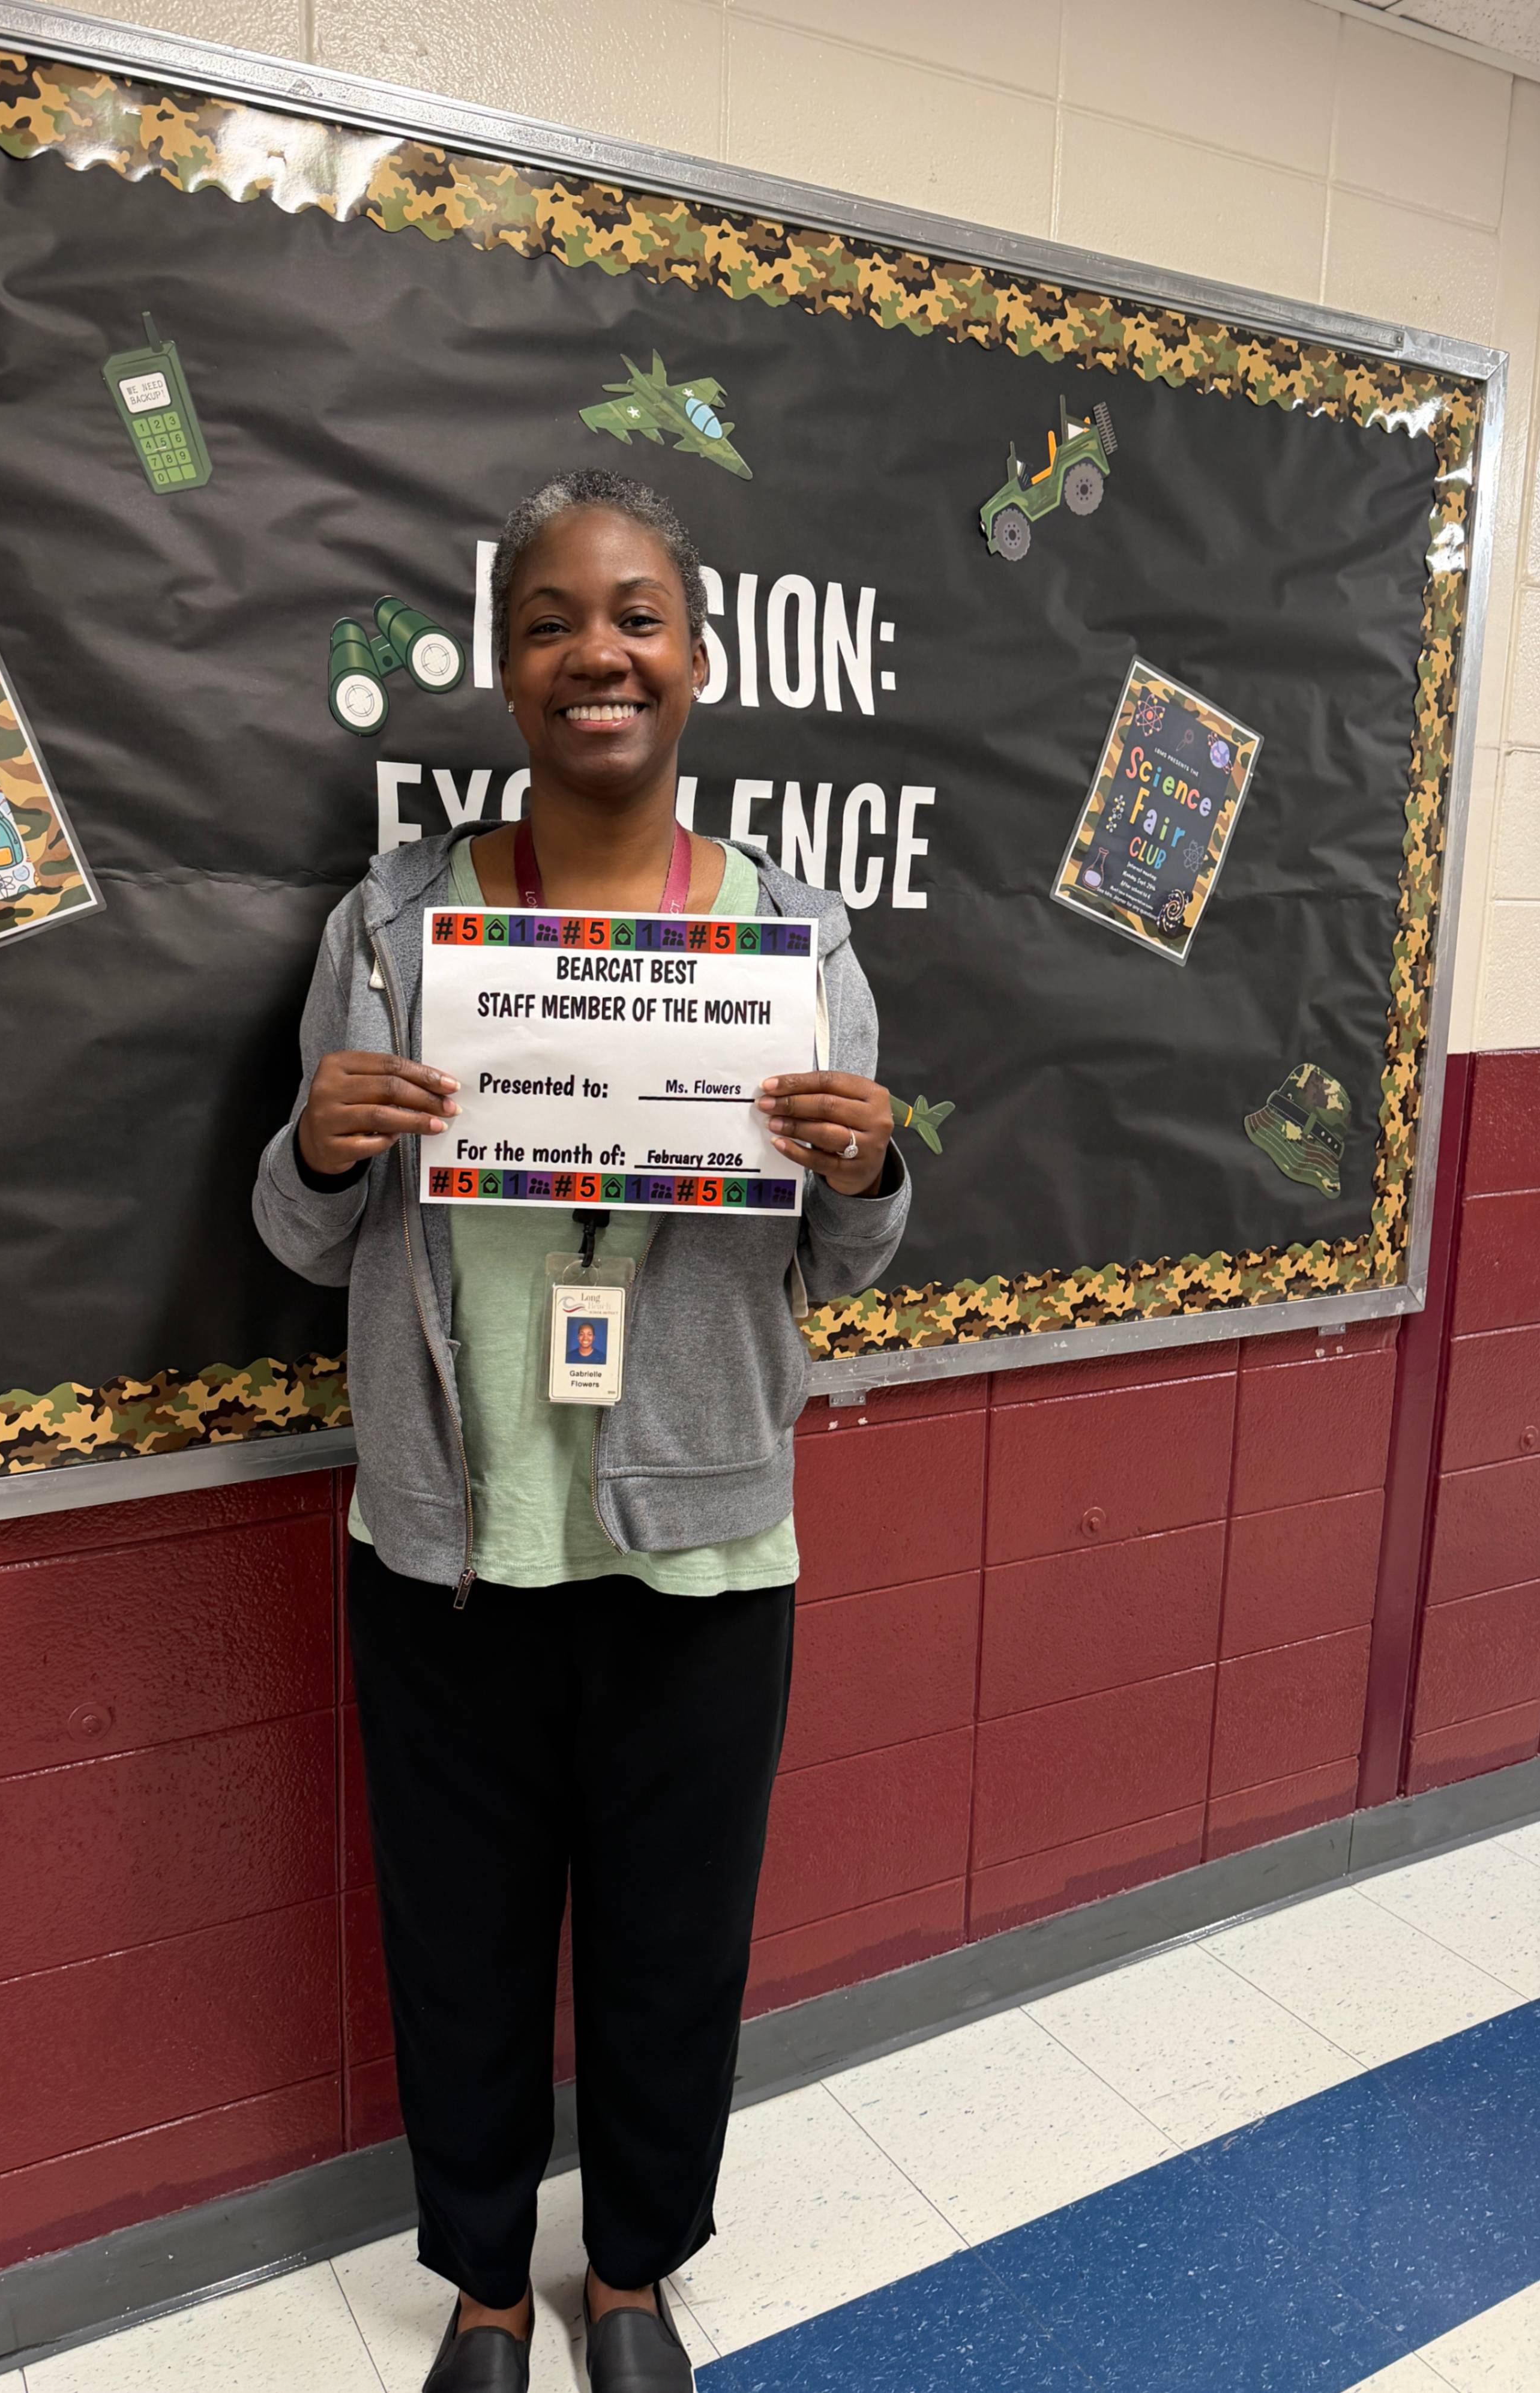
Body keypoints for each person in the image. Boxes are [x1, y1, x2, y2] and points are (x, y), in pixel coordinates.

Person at [253, 469, 909, 2392]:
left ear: (692, 663)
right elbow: (295, 1234)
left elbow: (852, 1261)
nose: (593, 652)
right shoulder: (393, 926)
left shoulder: (792, 934)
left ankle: (627, 2274)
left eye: (632, 615)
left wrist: (866, 1170)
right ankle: (477, 2282)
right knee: (455, 1937)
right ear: (507, 664)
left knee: (667, 1948)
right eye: (551, 620)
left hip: (700, 1536)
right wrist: (316, 1142)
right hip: (450, 1535)